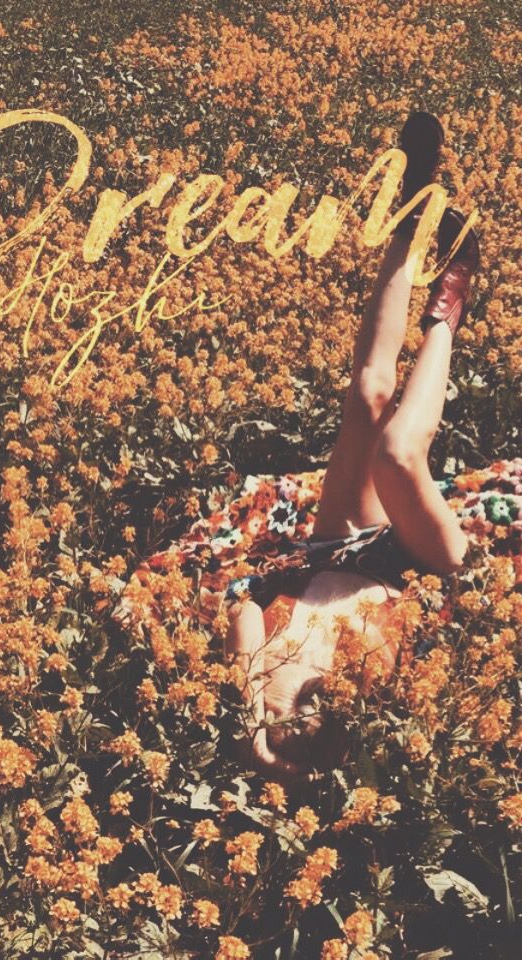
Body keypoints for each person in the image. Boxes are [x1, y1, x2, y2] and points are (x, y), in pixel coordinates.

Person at [223, 111, 481, 785]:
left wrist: (251, 730)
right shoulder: (359, 734)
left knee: (368, 393)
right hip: (422, 570)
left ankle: (409, 223)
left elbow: (244, 609)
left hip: (336, 548)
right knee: (396, 452)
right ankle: (451, 305)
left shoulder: (264, 711)